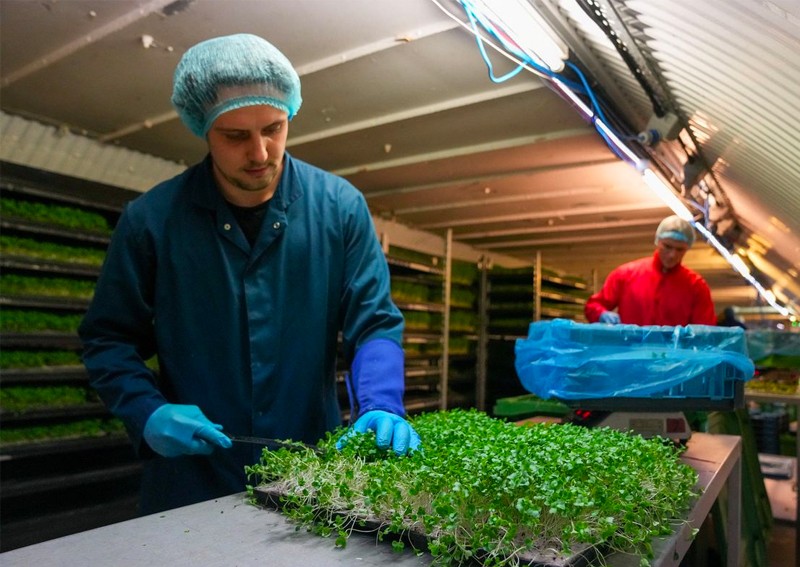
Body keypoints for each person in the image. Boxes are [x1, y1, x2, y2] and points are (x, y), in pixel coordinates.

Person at [79, 34, 419, 515]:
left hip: (311, 470)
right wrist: (146, 410)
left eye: (274, 128)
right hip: (193, 477)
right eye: (235, 136)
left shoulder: (340, 208)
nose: (260, 153)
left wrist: (381, 401)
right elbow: (108, 339)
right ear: (203, 128)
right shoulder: (151, 222)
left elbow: (375, 321)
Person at [584, 215, 717, 326]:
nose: (672, 255)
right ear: (657, 241)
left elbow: (706, 330)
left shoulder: (696, 286)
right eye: (667, 246)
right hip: (630, 348)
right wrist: (601, 314)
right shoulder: (625, 275)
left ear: (687, 248)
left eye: (679, 249)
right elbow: (593, 305)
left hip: (672, 351)